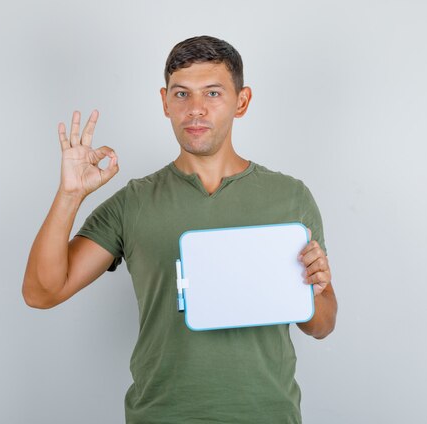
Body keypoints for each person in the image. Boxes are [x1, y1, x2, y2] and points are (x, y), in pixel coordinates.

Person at [23, 35, 337, 423]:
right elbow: (42, 293)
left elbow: (322, 325)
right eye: (182, 94)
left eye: (213, 93)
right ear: (165, 102)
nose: (196, 110)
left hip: (267, 414)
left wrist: (316, 289)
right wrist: (70, 195)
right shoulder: (134, 202)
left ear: (242, 101)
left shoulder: (289, 197)